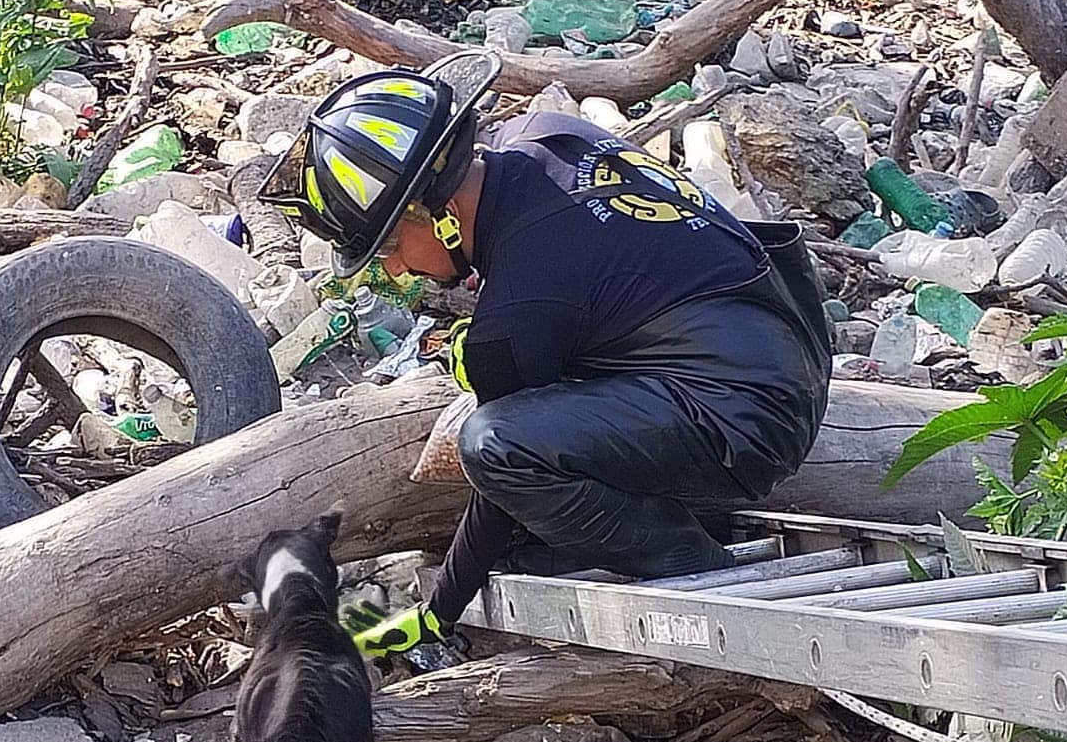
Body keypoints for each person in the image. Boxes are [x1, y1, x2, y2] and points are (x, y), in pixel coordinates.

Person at [260, 50, 833, 661]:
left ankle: (686, 558)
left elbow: (503, 469)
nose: (397, 268)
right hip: (785, 341)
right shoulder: (545, 138)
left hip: (748, 419)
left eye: (393, 246)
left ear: (438, 215)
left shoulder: (522, 301)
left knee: (492, 442)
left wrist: (441, 610)